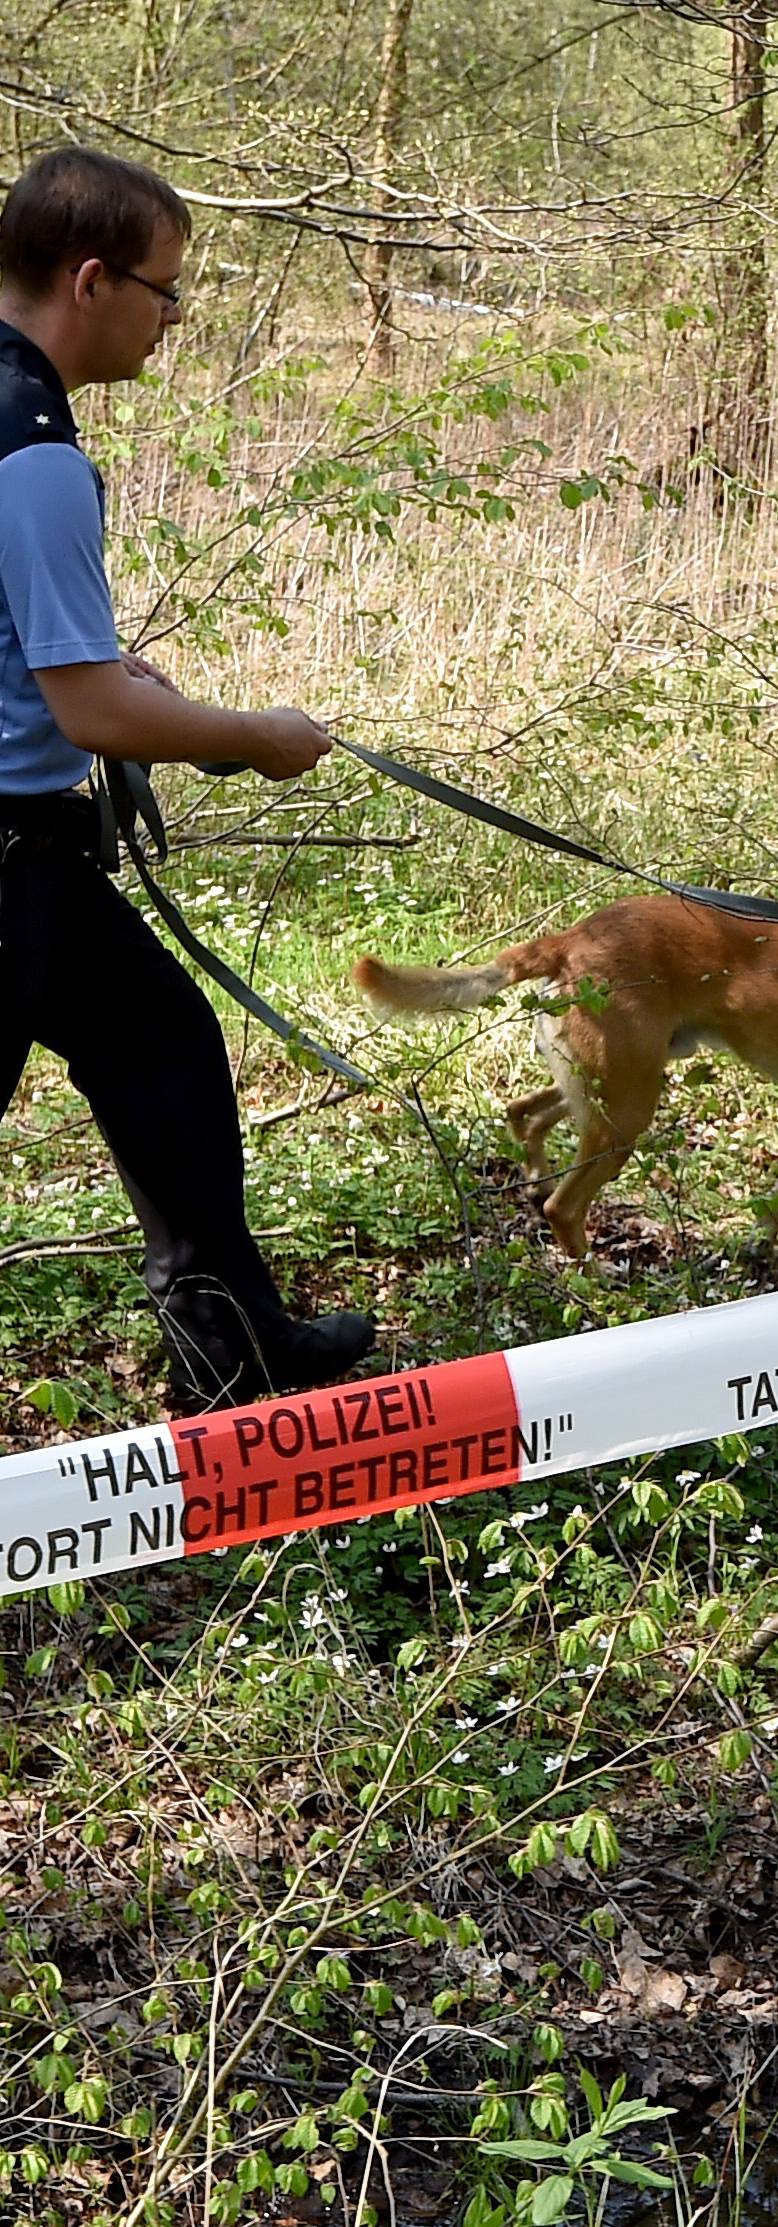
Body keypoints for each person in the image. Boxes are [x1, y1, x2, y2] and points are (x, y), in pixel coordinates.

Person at [0, 145, 373, 1411]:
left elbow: (60, 658)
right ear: (91, 279)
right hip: (8, 864)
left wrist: (98, 665)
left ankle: (235, 1344)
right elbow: (88, 705)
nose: (173, 319)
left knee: (161, 1043)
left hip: (33, 855)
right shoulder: (37, 452)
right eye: (167, 291)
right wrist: (250, 736)